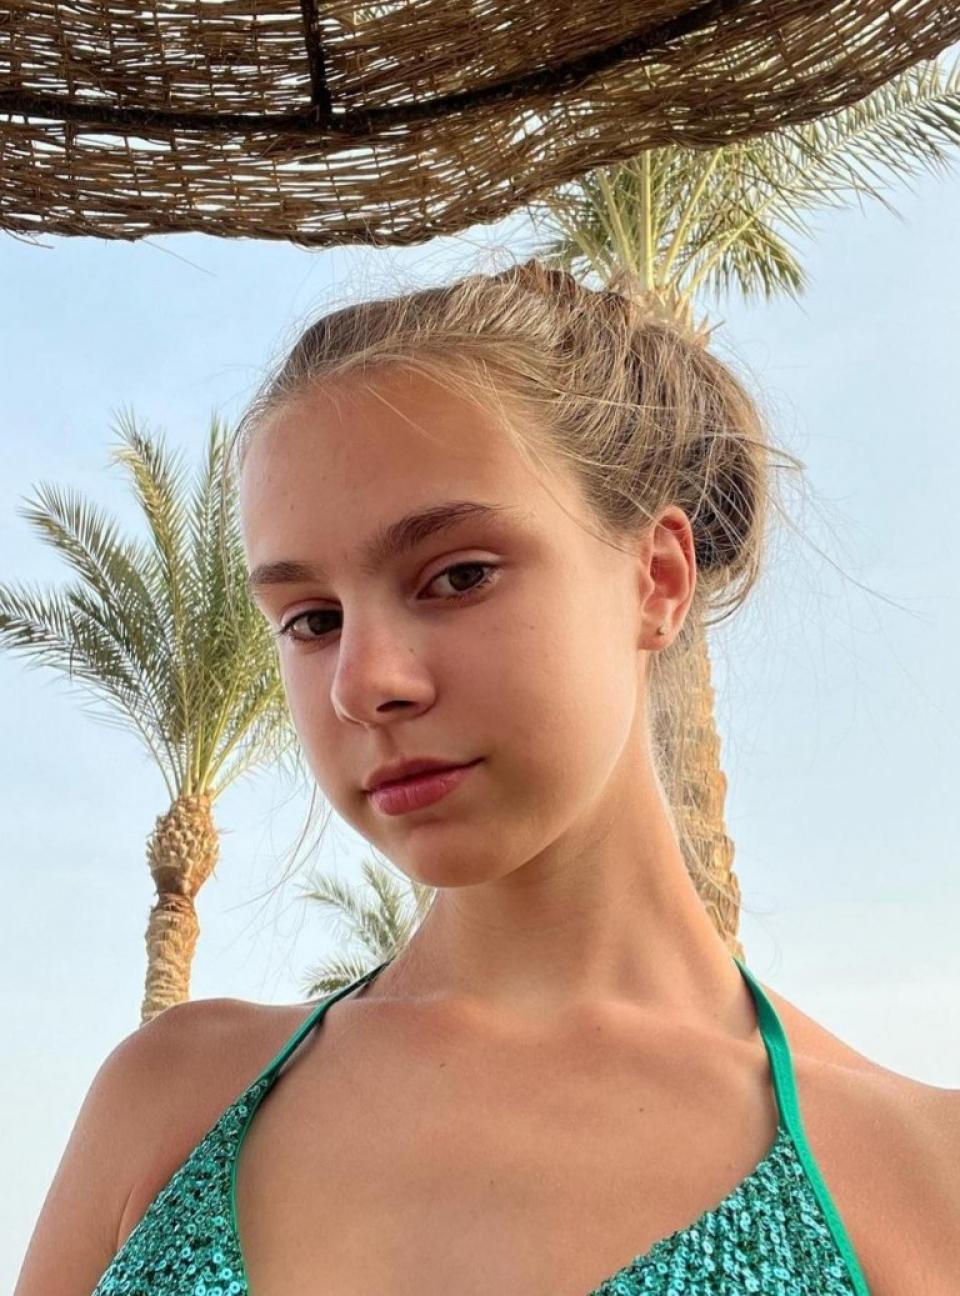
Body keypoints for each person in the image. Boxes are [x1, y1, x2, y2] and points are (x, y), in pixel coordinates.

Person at [16, 260, 959, 1296]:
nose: (362, 684)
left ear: (657, 579)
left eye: (458, 576)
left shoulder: (918, 1180)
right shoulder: (168, 1103)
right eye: (312, 620)